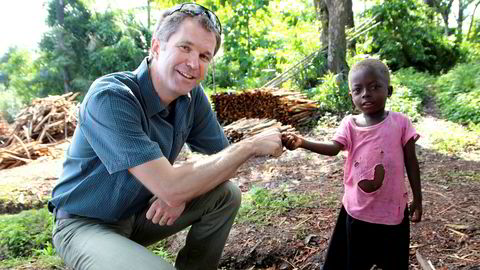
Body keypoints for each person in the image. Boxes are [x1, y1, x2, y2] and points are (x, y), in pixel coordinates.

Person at [48, 3, 283, 270]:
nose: (194, 63)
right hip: (84, 224)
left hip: (137, 215)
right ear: (157, 46)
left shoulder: (192, 97)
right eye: (185, 47)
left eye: (205, 56)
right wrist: (249, 146)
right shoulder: (111, 97)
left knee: (225, 195)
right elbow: (173, 185)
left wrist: (180, 194)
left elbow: (221, 158)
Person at [282, 59, 422, 270]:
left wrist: (418, 199)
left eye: (375, 87)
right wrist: (303, 142)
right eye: (358, 90)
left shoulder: (401, 123)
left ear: (389, 90)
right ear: (351, 96)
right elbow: (333, 148)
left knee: (394, 263)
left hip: (393, 211)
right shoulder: (350, 124)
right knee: (355, 262)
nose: (366, 93)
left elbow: (411, 161)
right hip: (358, 211)